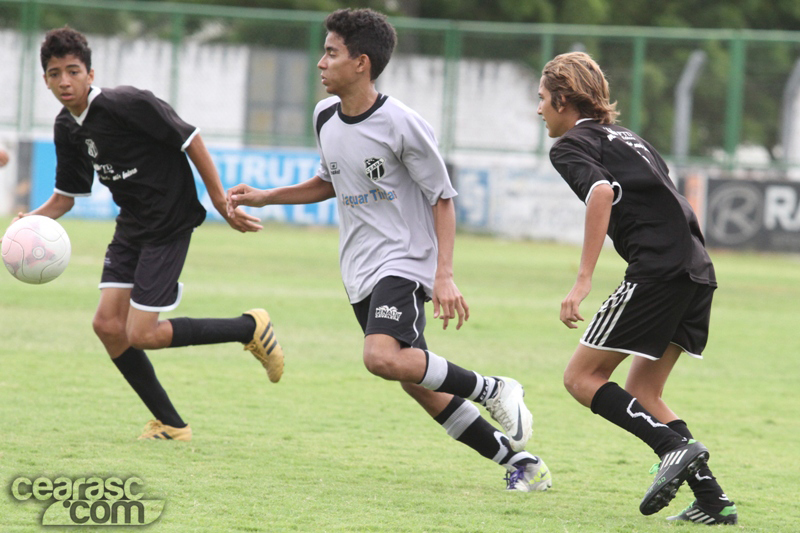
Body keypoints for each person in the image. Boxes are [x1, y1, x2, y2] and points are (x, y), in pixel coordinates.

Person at [228, 8, 551, 491]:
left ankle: (495, 388)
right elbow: (329, 180)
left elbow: (443, 197)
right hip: (358, 267)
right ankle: (520, 463)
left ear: (361, 63)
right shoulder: (324, 117)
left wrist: (444, 274)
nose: (320, 62)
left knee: (380, 357)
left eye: (331, 53)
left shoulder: (403, 125)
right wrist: (267, 197)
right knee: (416, 381)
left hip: (403, 260)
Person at [17, 26, 285, 442]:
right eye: (55, 73)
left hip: (169, 221)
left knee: (142, 333)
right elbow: (65, 198)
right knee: (107, 325)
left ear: (91, 73)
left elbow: (190, 138)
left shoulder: (127, 103)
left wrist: (218, 200)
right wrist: (23, 226)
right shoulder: (67, 128)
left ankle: (248, 327)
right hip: (132, 224)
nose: (64, 81)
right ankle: (173, 426)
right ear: (46, 80)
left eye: (73, 71)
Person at [538, 51, 736, 524]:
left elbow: (601, 192)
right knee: (644, 390)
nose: (539, 108)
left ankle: (671, 447)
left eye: (542, 98)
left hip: (658, 271)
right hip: (696, 269)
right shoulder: (632, 140)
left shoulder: (568, 145)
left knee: (581, 378)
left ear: (563, 100)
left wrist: (582, 279)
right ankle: (713, 501)